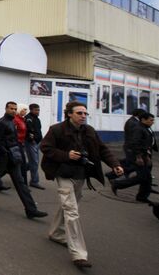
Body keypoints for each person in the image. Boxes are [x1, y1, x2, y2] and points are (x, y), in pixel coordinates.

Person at [41, 100, 123, 269]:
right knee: (72, 210)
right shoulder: (57, 129)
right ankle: (78, 254)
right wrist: (66, 155)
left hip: (81, 175)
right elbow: (45, 147)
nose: (83, 116)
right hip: (63, 173)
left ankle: (56, 233)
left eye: (85, 113)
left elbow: (102, 149)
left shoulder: (89, 131)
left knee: (69, 206)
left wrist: (115, 164)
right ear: (69, 114)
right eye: (79, 113)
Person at [0, 101, 48, 219]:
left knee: (20, 183)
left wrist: (18, 154)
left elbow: (15, 140)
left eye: (15, 109)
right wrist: (4, 152)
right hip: (3, 157)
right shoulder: (1, 122)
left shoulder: (12, 121)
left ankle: (31, 209)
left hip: (13, 157)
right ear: (6, 109)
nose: (13, 110)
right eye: (11, 108)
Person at [112, 112, 155, 202]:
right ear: (143, 120)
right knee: (142, 177)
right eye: (151, 120)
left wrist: (147, 156)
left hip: (144, 155)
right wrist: (139, 157)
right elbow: (134, 144)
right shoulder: (138, 129)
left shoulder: (145, 128)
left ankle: (142, 197)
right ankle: (117, 184)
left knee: (147, 177)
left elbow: (146, 144)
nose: (153, 122)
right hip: (137, 156)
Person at [25, 103, 44, 189]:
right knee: (35, 162)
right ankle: (34, 181)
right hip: (31, 143)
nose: (38, 111)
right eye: (36, 110)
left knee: (33, 162)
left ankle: (18, 170)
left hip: (37, 142)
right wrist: (32, 139)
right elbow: (29, 131)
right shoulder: (28, 119)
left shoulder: (37, 119)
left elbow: (38, 130)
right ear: (31, 110)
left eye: (38, 110)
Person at [13, 104, 29, 181]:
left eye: (26, 110)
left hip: (21, 143)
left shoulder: (22, 119)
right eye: (24, 110)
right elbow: (13, 132)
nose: (25, 111)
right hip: (17, 143)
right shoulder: (15, 120)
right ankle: (23, 182)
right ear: (19, 110)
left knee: (17, 163)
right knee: (22, 163)